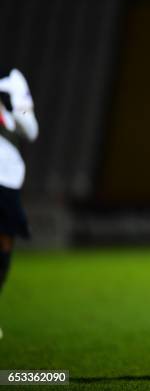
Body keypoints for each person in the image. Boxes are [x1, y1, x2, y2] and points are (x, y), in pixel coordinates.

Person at [0, 68, 38, 339]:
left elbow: (31, 130)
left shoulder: (11, 80)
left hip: (6, 176)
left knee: (3, 244)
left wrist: (9, 110)